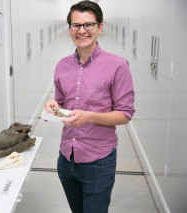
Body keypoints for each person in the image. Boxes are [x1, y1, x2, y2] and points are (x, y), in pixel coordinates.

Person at [43, 1, 135, 212]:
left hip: (98, 160)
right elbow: (62, 102)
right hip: (66, 158)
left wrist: (89, 116)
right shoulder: (62, 65)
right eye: (76, 25)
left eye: (88, 25)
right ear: (69, 29)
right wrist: (52, 105)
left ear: (99, 27)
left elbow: (126, 114)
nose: (82, 31)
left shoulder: (117, 65)